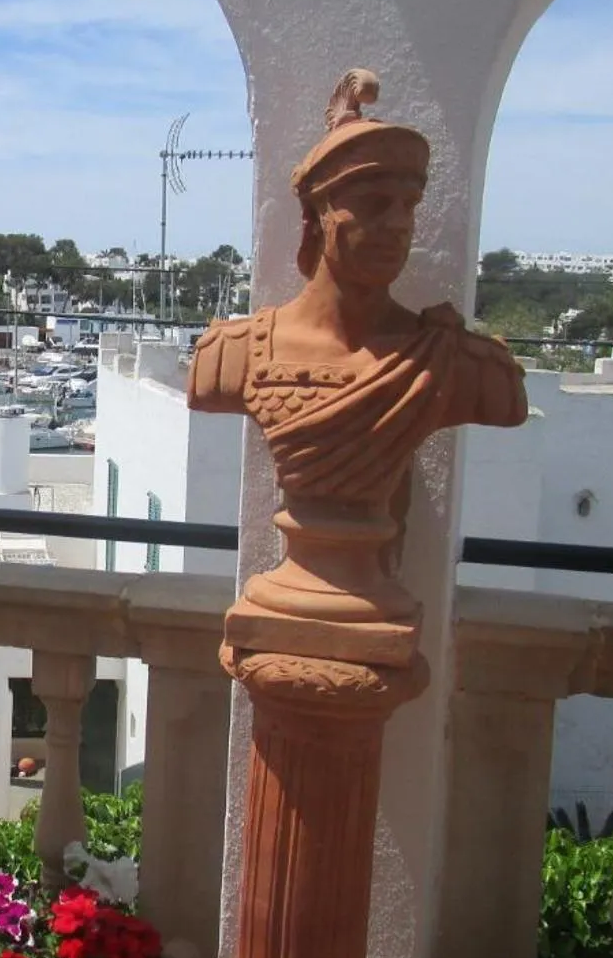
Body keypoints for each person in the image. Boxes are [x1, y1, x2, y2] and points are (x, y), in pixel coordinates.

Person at [189, 70, 525, 622]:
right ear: (316, 217)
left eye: (408, 205)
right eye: (372, 203)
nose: (397, 224)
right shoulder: (232, 354)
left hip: (375, 608)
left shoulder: (461, 365)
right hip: (290, 599)